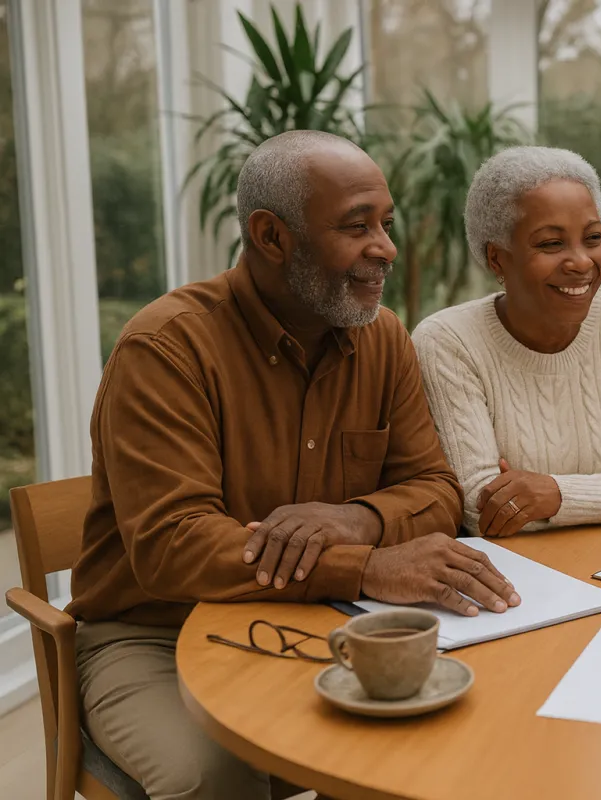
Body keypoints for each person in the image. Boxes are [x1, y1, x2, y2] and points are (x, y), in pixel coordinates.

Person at [67, 131, 520, 800]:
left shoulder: (383, 337)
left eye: (386, 224)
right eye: (356, 226)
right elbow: (173, 547)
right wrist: (366, 565)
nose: (386, 249)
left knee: (441, 736)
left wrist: (357, 520)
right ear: (271, 236)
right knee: (215, 774)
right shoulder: (166, 349)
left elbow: (434, 491)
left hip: (325, 620)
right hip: (151, 635)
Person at [412, 146, 601, 537]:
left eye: (593, 237)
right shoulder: (448, 341)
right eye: (551, 244)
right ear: (497, 259)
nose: (581, 261)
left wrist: (555, 494)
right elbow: (481, 507)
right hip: (523, 581)